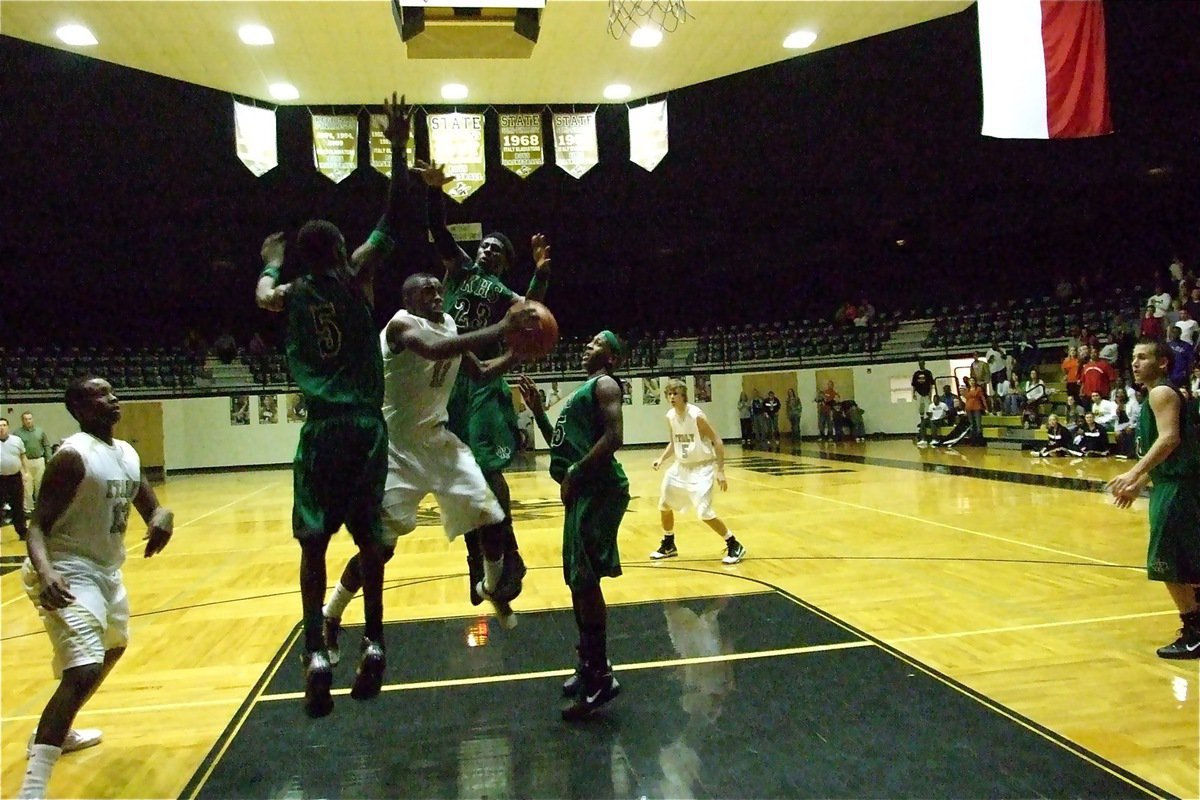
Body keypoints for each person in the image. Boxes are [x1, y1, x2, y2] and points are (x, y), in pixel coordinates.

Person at [254, 91, 414, 717]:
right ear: (343, 251)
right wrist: (397, 148)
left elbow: (263, 296)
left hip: (321, 428)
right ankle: (374, 641)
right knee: (371, 538)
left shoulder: (290, 293)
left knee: (314, 544)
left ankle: (317, 650)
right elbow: (394, 220)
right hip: (366, 428)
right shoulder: (359, 276)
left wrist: (268, 263)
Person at [321, 274, 539, 652]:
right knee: (379, 550)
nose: (438, 295)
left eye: (440, 289)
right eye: (428, 291)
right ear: (408, 299)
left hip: (438, 442)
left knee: (490, 516)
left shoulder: (450, 326)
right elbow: (436, 350)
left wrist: (518, 354)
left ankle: (490, 588)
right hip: (396, 450)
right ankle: (331, 613)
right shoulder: (402, 326)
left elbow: (481, 372)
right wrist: (503, 326)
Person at [18, 377, 173, 800]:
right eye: (99, 395)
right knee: (83, 668)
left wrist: (161, 514)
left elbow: (148, 501)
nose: (113, 398)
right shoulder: (72, 457)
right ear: (79, 409)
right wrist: (46, 572)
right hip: (67, 570)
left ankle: (57, 730)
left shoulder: (125, 453)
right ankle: (32, 789)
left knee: (113, 648)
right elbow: (36, 527)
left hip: (106, 571)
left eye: (112, 392)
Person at [424, 161, 552, 612]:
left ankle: (506, 550)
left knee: (485, 469)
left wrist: (541, 274)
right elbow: (438, 231)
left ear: (503, 262)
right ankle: (476, 558)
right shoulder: (458, 269)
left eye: (496, 250)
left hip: (484, 387)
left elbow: (534, 314)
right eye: (484, 246)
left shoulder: (501, 293)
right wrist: (434, 192)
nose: (486, 251)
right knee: (461, 477)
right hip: (447, 385)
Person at [517, 331, 628, 720]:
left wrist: (578, 473)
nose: (587, 345)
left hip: (598, 488)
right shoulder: (584, 391)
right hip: (582, 489)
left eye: (595, 343)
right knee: (576, 579)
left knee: (585, 581)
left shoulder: (605, 384)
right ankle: (589, 666)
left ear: (611, 356)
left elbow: (615, 437)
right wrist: (539, 414)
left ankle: (600, 677)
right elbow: (564, 445)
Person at [1107, 338, 1200, 659]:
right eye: (1133, 357)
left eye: (1143, 357)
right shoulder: (1156, 395)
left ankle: (1194, 631)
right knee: (1189, 559)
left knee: (1167, 562)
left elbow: (1169, 439)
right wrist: (1142, 481)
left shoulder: (1161, 392)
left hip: (1177, 489)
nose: (1134, 363)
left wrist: (1133, 474)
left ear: (1162, 363)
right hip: (1174, 485)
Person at [648, 379, 746, 565]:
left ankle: (734, 543)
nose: (672, 397)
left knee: (704, 513)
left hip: (702, 468)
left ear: (683, 395)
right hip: (680, 467)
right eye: (669, 394)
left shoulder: (696, 416)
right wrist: (661, 459)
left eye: (675, 393)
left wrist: (721, 470)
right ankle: (669, 543)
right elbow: (675, 442)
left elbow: (717, 440)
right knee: (664, 505)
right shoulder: (670, 416)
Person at [2, 418, 31, 541]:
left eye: (4, 425)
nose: (1, 427)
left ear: (8, 427)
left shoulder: (16, 440)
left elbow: (23, 457)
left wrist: (26, 472)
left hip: (15, 477)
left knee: (18, 505)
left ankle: (22, 531)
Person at [17, 412, 52, 513]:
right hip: (25, 461)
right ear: (22, 420)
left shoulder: (40, 431)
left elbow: (46, 445)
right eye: (26, 419)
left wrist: (49, 458)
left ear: (33, 419)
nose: (28, 421)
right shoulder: (17, 433)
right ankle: (28, 509)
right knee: (27, 486)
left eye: (30, 418)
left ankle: (41, 507)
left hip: (39, 460)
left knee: (40, 484)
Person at [911, 359, 935, 444]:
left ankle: (928, 420)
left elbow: (931, 384)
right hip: (919, 393)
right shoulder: (916, 374)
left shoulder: (928, 373)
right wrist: (913, 394)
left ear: (924, 364)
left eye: (922, 363)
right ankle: (922, 420)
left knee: (928, 408)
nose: (921, 365)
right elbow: (913, 385)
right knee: (920, 408)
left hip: (926, 393)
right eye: (919, 363)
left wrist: (930, 394)